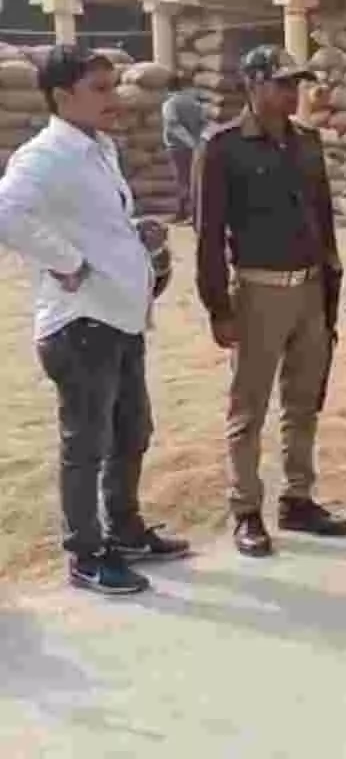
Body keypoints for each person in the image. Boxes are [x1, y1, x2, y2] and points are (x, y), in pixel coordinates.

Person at [0, 45, 188, 594]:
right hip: (81, 327)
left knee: (132, 430)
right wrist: (67, 261)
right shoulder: (45, 155)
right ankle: (85, 555)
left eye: (113, 86)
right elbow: (6, 213)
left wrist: (135, 233)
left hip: (118, 319)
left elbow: (93, 220)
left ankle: (124, 530)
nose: (114, 99)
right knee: (86, 445)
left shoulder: (98, 147)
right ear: (63, 97)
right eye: (99, 90)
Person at [194, 45, 346, 558]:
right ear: (253, 85)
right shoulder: (222, 147)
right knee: (249, 407)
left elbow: (322, 219)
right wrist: (218, 307)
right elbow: (208, 235)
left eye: (296, 84)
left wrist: (329, 286)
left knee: (303, 402)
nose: (292, 94)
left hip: (309, 288)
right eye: (282, 84)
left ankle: (298, 498)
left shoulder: (307, 142)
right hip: (258, 290)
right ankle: (246, 509)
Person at [160, 74, 204, 223]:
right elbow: (203, 123)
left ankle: (184, 212)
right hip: (196, 147)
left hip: (178, 147)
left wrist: (189, 141)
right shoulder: (195, 103)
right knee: (193, 179)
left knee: (181, 180)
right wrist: (198, 143)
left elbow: (172, 124)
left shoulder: (170, 104)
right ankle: (191, 212)